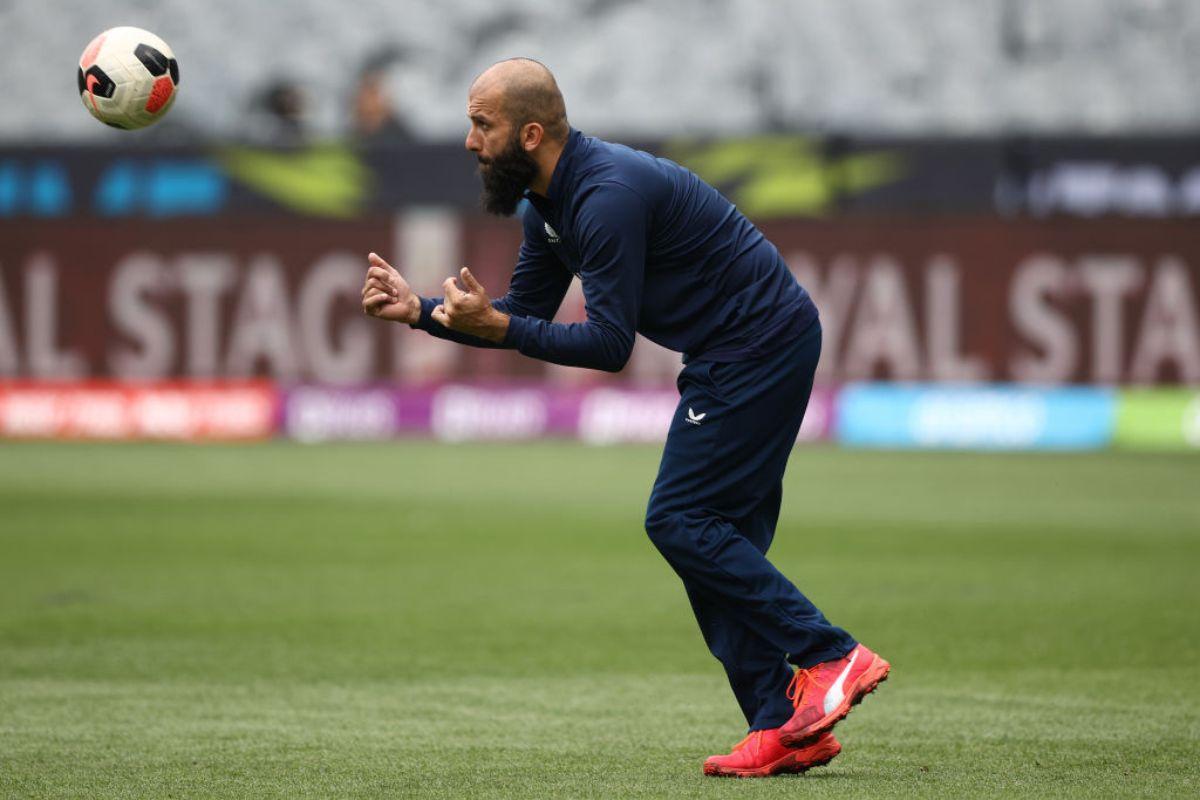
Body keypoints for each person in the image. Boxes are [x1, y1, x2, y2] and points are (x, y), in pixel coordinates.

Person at [360, 58, 889, 778]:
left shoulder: (605, 196)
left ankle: (831, 654)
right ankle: (780, 723)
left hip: (759, 344)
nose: (469, 141)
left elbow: (609, 344)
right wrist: (420, 311)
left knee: (678, 520)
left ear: (532, 133)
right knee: (715, 544)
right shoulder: (544, 204)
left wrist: (500, 330)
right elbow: (517, 318)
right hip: (734, 349)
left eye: (483, 124)